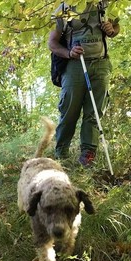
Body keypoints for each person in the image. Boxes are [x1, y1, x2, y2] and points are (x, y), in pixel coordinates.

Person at [48, 1, 120, 166]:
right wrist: (69, 53)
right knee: (69, 110)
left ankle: (88, 155)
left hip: (101, 63)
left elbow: (116, 28)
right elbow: (52, 43)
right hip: (75, 65)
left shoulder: (106, 4)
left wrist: (112, 30)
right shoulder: (65, 8)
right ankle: (61, 153)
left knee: (94, 110)